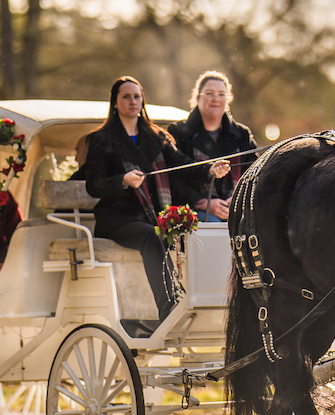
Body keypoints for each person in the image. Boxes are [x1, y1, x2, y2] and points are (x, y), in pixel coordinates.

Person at [84, 76, 229, 321]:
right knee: (153, 235)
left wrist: (209, 169)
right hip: (118, 219)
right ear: (115, 103)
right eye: (126, 97)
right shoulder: (101, 140)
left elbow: (181, 164)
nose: (133, 101)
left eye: (137, 96)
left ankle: (206, 304)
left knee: (191, 233)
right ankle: (169, 308)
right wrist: (123, 180)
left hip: (151, 216)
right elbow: (94, 185)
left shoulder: (156, 137)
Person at [168, 71, 258, 222]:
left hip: (236, 209)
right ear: (197, 98)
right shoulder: (178, 132)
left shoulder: (242, 134)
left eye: (221, 94)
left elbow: (255, 172)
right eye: (209, 93)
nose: (216, 99)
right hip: (194, 210)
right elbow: (173, 177)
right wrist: (203, 203)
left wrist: (238, 198)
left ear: (228, 99)